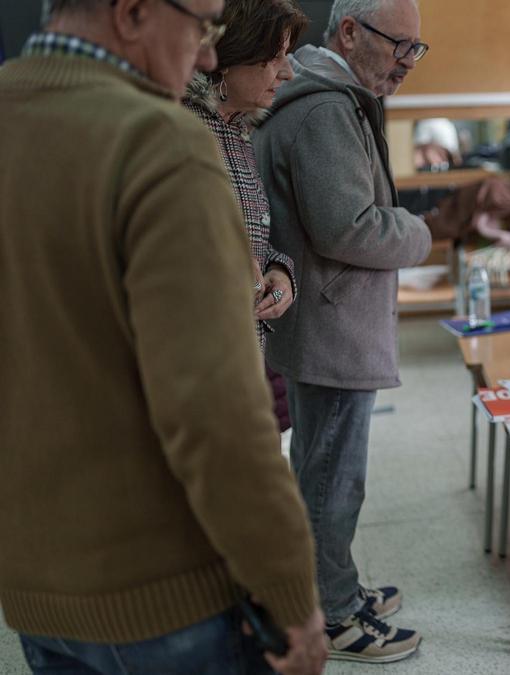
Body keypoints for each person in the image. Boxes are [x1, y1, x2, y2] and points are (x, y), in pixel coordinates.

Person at [0, 1, 325, 674]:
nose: (209, 56)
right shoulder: (163, 142)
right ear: (133, 11)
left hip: (32, 590)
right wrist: (291, 589)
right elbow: (218, 415)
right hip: (165, 600)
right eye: (204, 25)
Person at [252, 0, 432, 663]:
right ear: (349, 32)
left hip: (327, 322)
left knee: (325, 471)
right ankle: (329, 613)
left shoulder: (327, 93)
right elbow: (347, 226)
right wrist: (418, 229)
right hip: (332, 329)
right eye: (399, 46)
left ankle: (338, 586)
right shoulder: (325, 106)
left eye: (418, 49)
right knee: (332, 479)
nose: (407, 63)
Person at [182, 0, 306, 431]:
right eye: (275, 59)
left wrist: (278, 271)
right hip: (198, 372)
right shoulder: (178, 131)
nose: (287, 73)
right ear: (228, 59)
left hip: (240, 360)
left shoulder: (236, 131)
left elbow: (250, 241)